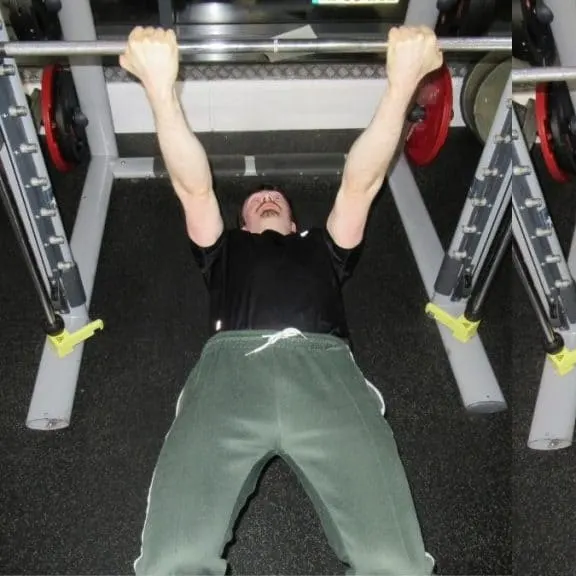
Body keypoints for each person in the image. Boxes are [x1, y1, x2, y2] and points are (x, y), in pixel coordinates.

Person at [120, 25, 442, 575]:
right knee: (171, 560)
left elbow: (359, 184)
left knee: (398, 564)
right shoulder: (221, 252)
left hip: (324, 375)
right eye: (253, 201)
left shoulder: (323, 248)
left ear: (294, 223)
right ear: (240, 223)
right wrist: (159, 89)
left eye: (278, 200)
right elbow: (194, 187)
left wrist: (402, 84)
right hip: (230, 377)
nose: (267, 196)